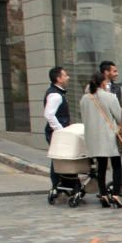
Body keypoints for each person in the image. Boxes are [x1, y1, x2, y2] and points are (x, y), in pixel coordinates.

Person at [79, 72, 122, 208]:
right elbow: (120, 117)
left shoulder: (84, 99)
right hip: (109, 136)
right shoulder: (110, 97)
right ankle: (116, 194)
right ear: (103, 83)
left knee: (101, 167)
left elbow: (84, 118)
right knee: (117, 166)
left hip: (93, 138)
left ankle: (103, 194)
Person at [99, 61, 122, 196]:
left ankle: (118, 187)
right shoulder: (93, 89)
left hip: (115, 129)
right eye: (114, 71)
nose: (116, 73)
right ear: (106, 72)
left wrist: (121, 126)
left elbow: (121, 107)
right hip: (100, 130)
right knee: (101, 163)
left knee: (117, 161)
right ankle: (102, 191)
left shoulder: (118, 88)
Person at [44, 66, 70, 196]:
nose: (68, 77)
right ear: (58, 79)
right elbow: (49, 114)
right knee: (57, 159)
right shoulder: (55, 95)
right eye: (65, 75)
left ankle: (63, 185)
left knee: (60, 159)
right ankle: (56, 186)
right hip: (56, 132)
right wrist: (60, 131)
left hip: (57, 131)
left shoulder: (57, 92)